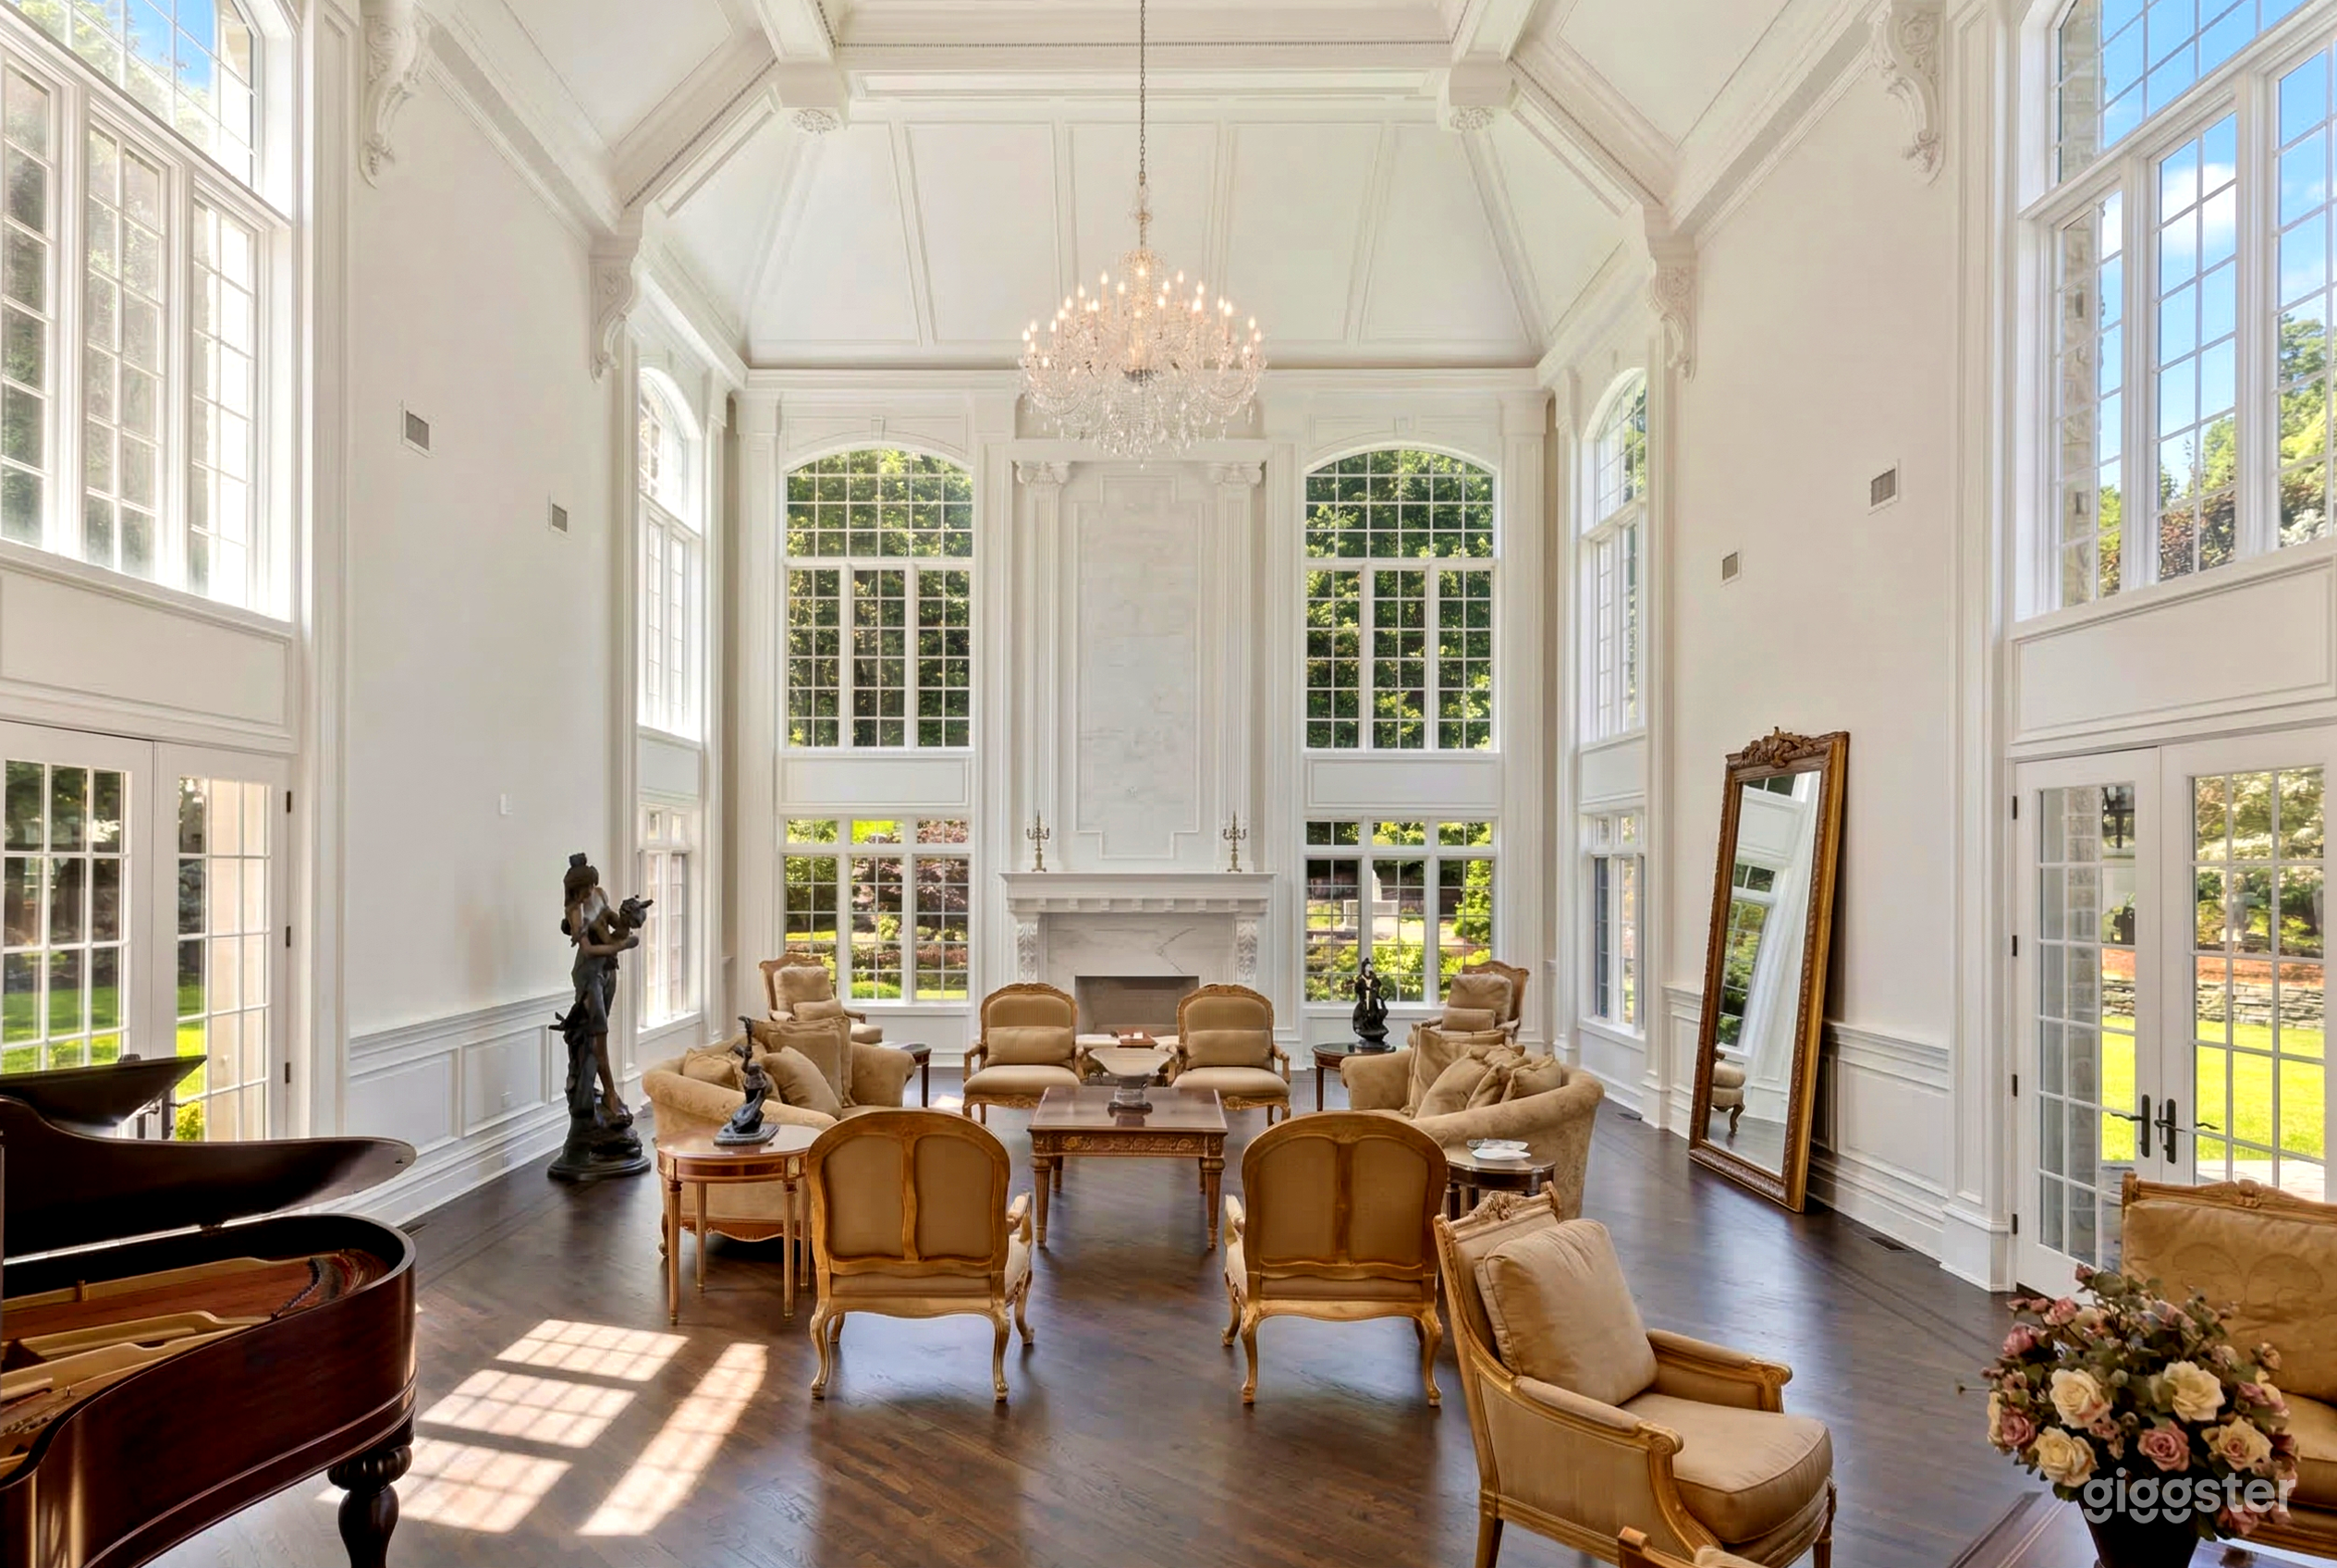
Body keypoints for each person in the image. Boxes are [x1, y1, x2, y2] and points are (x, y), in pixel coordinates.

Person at [557, 852, 650, 1126]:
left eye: (591, 885)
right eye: (583, 888)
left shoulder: (599, 895)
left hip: (608, 969)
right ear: (574, 889)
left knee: (599, 1030)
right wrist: (621, 946)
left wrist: (627, 917)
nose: (589, 891)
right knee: (599, 1034)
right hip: (589, 975)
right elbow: (588, 950)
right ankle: (609, 1093)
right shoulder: (575, 912)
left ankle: (599, 1091)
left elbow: (614, 928)